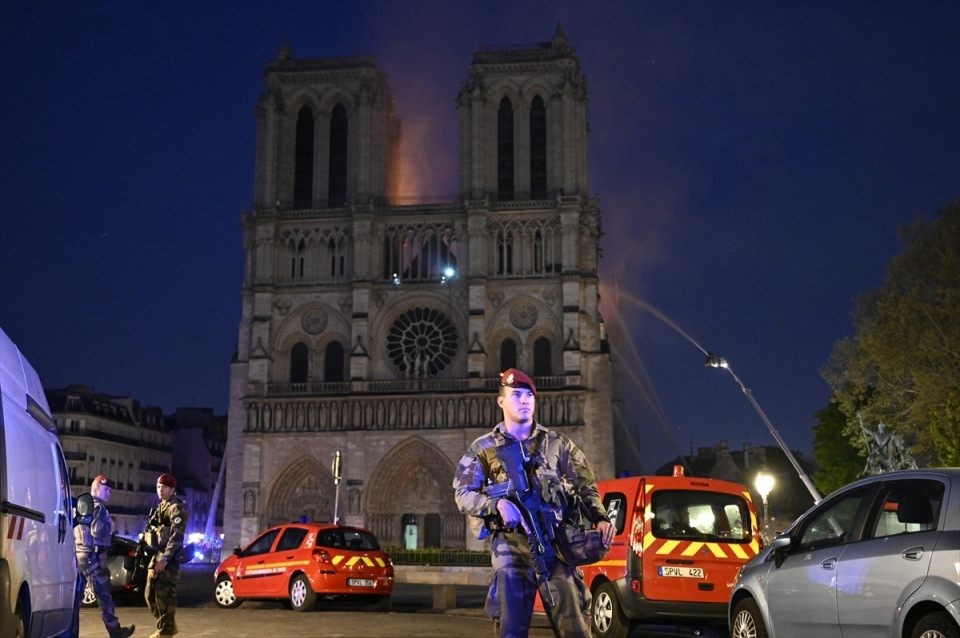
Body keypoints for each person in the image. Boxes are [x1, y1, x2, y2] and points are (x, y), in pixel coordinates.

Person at [453, 368, 615, 638]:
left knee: (574, 626)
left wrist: (599, 517)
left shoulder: (557, 444)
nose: (524, 400)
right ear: (501, 401)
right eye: (516, 394)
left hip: (554, 543)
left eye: (529, 395)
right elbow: (462, 493)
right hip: (510, 546)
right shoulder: (484, 448)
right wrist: (497, 506)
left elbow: (585, 483)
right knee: (511, 628)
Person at [75, 475, 136, 638]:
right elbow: (96, 531)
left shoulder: (80, 504)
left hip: (79, 556)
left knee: (75, 600)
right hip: (94, 558)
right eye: (106, 489)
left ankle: (69, 632)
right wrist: (110, 524)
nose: (109, 493)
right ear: (96, 488)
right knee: (105, 598)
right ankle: (116, 632)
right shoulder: (99, 509)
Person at [143, 473, 188, 638]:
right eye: (158, 487)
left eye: (164, 487)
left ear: (172, 489)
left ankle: (165, 631)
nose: (160, 490)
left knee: (165, 595)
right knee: (149, 594)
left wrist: (166, 558)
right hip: (156, 556)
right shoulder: (160, 507)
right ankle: (167, 624)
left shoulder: (177, 508)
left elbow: (176, 537)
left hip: (169, 559)